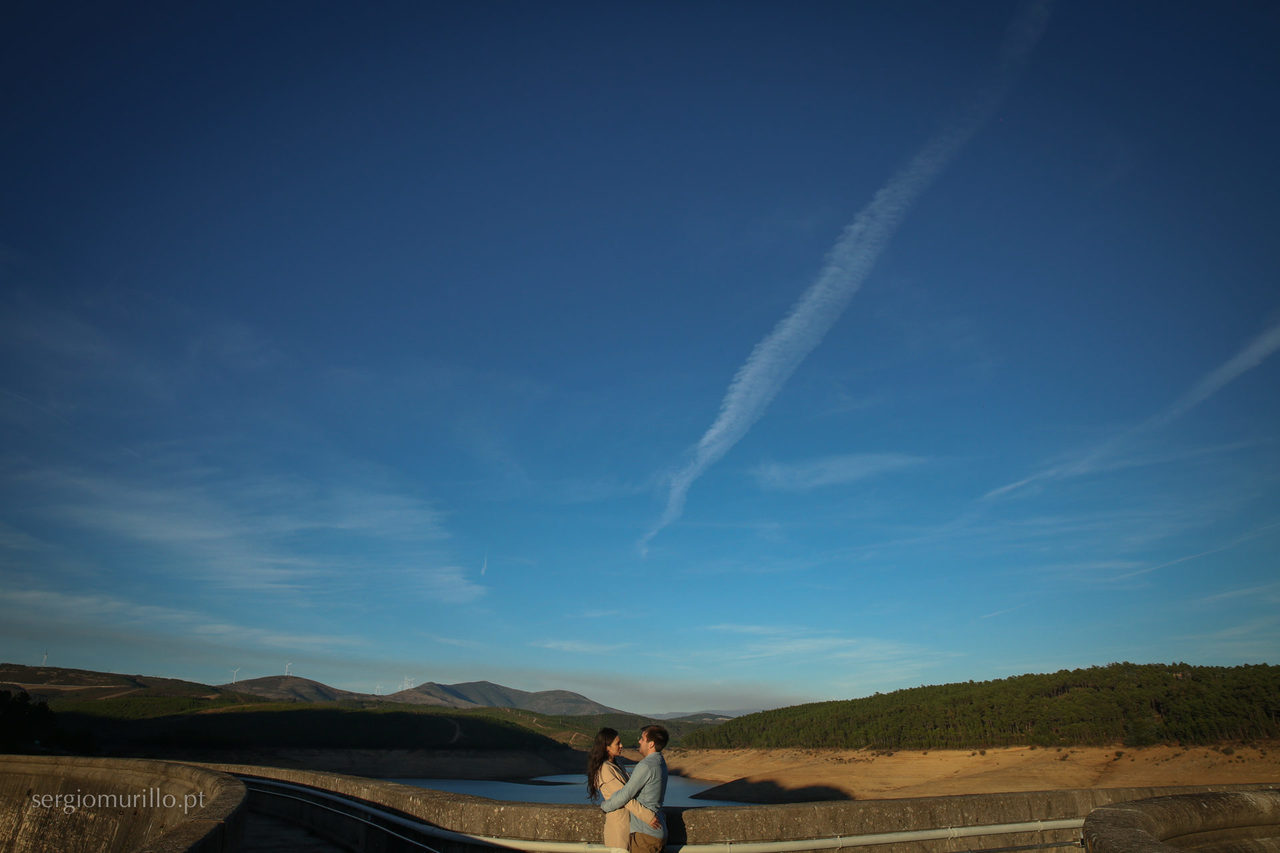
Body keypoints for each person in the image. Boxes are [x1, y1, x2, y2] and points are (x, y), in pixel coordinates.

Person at [586, 727, 659, 852]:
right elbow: (624, 798)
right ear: (607, 747)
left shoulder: (617, 764)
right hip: (619, 828)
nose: (621, 745)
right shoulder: (605, 769)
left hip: (629, 826)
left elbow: (631, 791)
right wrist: (648, 817)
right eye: (617, 743)